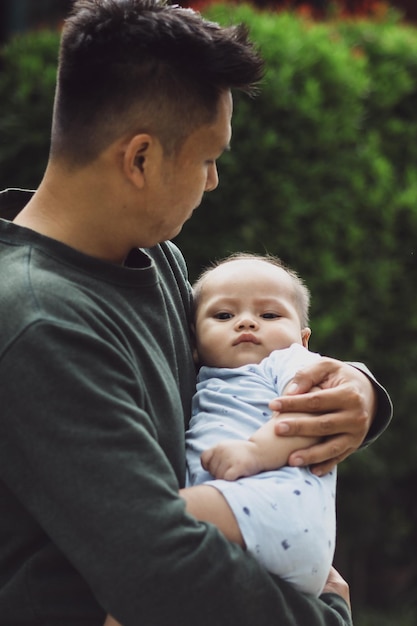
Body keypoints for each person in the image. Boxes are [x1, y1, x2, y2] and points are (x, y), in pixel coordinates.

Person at [0, 1, 392, 625]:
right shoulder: (40, 322)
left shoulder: (158, 263)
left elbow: (245, 372)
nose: (213, 181)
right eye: (209, 158)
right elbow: (160, 568)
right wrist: (324, 617)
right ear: (141, 159)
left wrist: (359, 394)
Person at [183, 253, 336, 597]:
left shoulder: (289, 362)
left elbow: (314, 412)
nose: (247, 323)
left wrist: (257, 451)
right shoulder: (200, 379)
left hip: (277, 507)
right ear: (193, 342)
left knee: (148, 524)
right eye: (224, 315)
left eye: (269, 314)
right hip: (244, 524)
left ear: (303, 338)